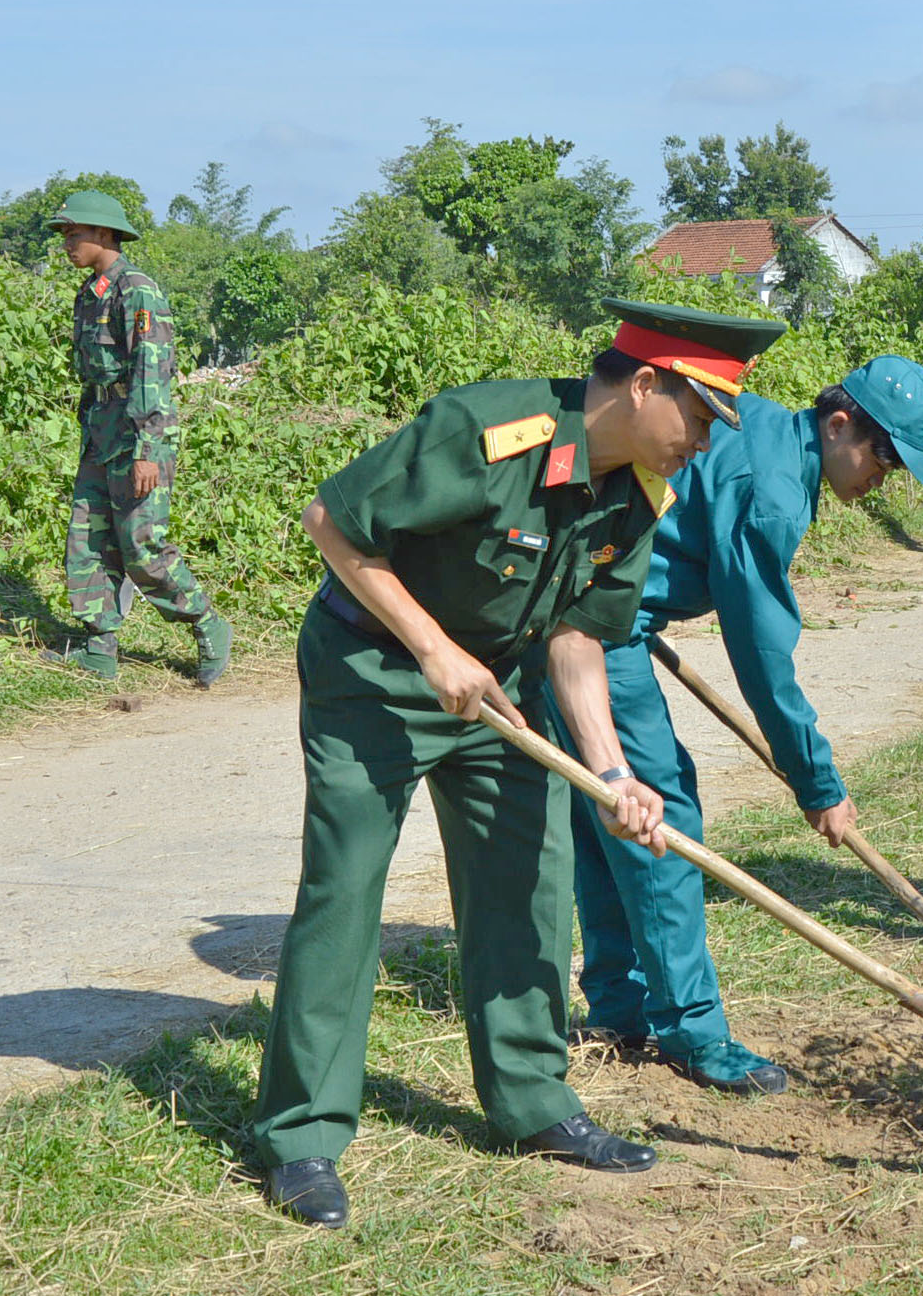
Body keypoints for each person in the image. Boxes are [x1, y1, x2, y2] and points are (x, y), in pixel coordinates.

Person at [251, 300, 784, 1230]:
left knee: (528, 882)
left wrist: (612, 773)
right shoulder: (491, 430)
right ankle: (302, 1135)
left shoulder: (637, 495)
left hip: (497, 687)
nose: (703, 442)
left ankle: (533, 1103)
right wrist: (432, 650)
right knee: (345, 891)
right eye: (700, 418)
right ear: (646, 385)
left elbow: (577, 636)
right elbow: (331, 521)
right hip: (374, 674)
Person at [551, 356, 923, 1094]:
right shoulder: (773, 492)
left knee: (608, 813)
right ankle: (694, 1034)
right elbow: (762, 656)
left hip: (584, 607)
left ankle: (619, 1007)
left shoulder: (764, 429)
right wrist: (816, 781)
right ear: (839, 425)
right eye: (884, 457)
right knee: (657, 814)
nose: (883, 478)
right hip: (593, 630)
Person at [43, 190, 230, 685]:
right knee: (88, 540)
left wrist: (148, 450)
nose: (67, 243)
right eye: (65, 234)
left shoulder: (137, 291)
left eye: (74, 233)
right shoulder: (91, 293)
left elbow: (152, 375)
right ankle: (99, 647)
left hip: (138, 437)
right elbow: (93, 377)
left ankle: (207, 623)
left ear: (104, 234)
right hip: (101, 434)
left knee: (141, 547)